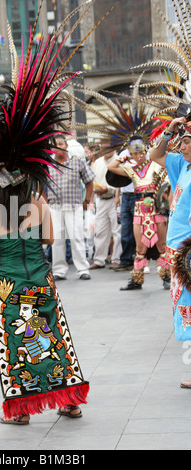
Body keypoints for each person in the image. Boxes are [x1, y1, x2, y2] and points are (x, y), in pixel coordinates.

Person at [0, 2, 93, 424]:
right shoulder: (39, 204)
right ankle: (68, 399)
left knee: (16, 339)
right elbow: (48, 241)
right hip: (40, 277)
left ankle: (21, 412)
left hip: (7, 282)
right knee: (50, 334)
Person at [149, 116, 191, 388]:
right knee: (183, 307)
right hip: (177, 248)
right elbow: (155, 154)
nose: (183, 146)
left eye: (187, 142)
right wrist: (169, 130)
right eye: (183, 142)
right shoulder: (180, 165)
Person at [107, 136, 170, 291]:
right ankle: (137, 280)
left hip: (155, 208)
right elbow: (111, 167)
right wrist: (125, 158)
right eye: (134, 154)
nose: (138, 156)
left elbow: (166, 178)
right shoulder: (131, 169)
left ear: (145, 151)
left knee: (162, 246)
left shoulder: (155, 166)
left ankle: (167, 278)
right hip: (139, 210)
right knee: (140, 249)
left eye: (140, 152)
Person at [46, 134, 94, 281]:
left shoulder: (77, 161)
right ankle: (59, 270)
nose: (58, 147)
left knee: (77, 237)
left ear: (66, 146)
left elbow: (89, 181)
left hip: (74, 205)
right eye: (55, 144)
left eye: (61, 144)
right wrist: (45, 202)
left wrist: (87, 199)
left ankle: (82, 269)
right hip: (54, 206)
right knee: (57, 239)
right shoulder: (47, 164)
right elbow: (41, 185)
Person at [89, 149, 122, 269]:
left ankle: (116, 258)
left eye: (109, 147)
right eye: (104, 147)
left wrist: (108, 189)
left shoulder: (119, 160)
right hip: (101, 199)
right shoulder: (97, 162)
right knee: (100, 230)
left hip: (115, 199)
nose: (106, 150)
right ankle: (99, 260)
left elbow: (120, 181)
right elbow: (93, 180)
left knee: (117, 231)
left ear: (114, 148)